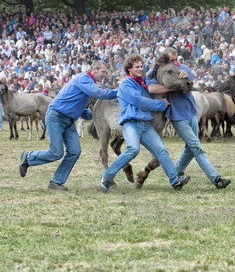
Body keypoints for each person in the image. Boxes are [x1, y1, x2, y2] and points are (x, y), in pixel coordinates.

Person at [19, 60, 119, 190]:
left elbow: (80, 108)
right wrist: (120, 91)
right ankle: (28, 156)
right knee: (56, 152)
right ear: (94, 70)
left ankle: (56, 182)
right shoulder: (83, 78)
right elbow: (99, 93)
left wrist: (96, 116)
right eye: (103, 72)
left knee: (74, 151)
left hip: (67, 119)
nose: (105, 75)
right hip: (56, 116)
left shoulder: (88, 83)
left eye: (106, 72)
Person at [100, 54, 191, 192]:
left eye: (141, 66)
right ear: (129, 69)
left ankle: (175, 180)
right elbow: (139, 102)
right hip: (131, 123)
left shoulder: (142, 81)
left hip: (145, 124)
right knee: (133, 149)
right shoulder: (126, 83)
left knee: (161, 150)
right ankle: (106, 176)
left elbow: (155, 74)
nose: (140, 69)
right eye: (137, 67)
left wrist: (181, 74)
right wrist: (160, 104)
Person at [147, 47, 231, 189]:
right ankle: (216, 179)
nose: (175, 63)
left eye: (176, 60)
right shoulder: (158, 71)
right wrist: (173, 86)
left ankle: (176, 171)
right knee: (196, 146)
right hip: (176, 115)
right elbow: (151, 88)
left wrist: (184, 80)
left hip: (191, 111)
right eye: (171, 60)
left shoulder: (184, 69)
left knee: (190, 147)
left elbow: (187, 90)